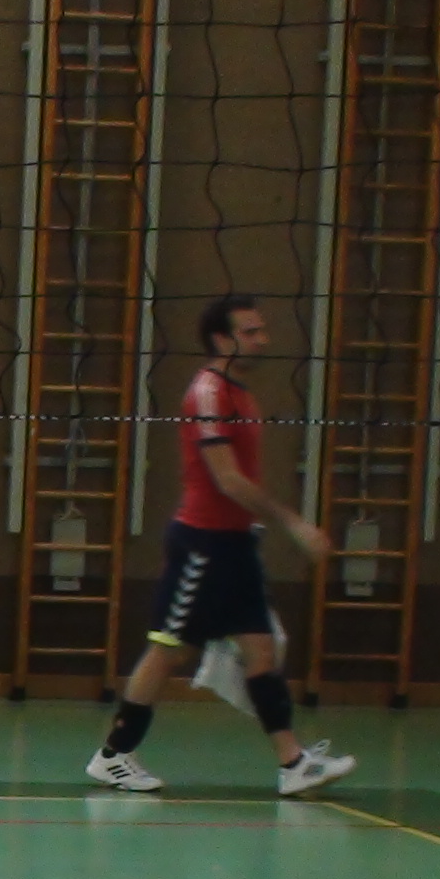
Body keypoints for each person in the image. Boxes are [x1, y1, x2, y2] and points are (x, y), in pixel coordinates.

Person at [86, 296, 358, 798]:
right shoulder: (208, 393)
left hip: (235, 545)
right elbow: (227, 479)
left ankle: (293, 763)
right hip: (202, 545)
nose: (262, 340)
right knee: (168, 649)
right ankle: (114, 755)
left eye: (261, 330)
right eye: (251, 332)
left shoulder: (242, 394)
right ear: (221, 338)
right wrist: (293, 523)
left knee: (261, 650)